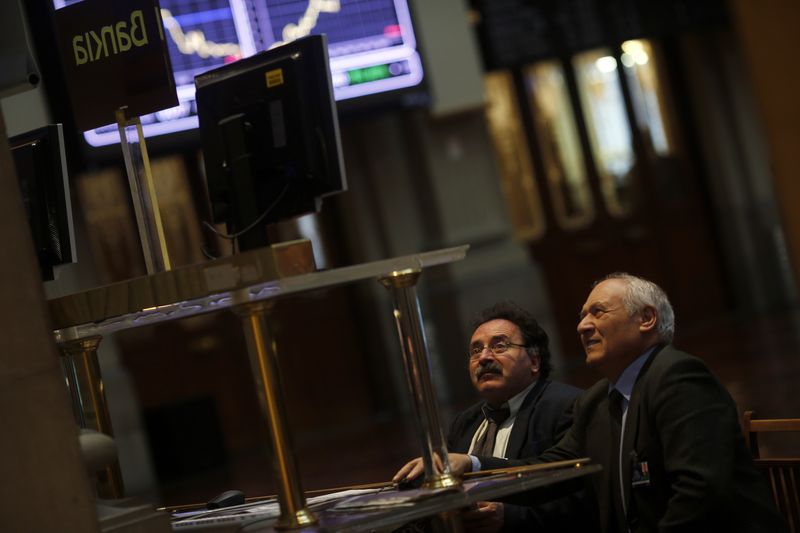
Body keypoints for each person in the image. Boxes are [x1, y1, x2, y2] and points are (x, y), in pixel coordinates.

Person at [489, 273, 784, 532]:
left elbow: (700, 491)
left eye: (597, 312)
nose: (582, 326)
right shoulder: (596, 401)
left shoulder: (678, 378)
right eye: (582, 316)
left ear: (646, 319)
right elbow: (551, 470)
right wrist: (474, 468)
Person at [393, 301, 584, 532]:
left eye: (499, 346)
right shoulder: (465, 423)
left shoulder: (567, 405)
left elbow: (583, 499)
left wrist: (509, 517)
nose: (483, 357)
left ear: (534, 361)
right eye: (475, 350)